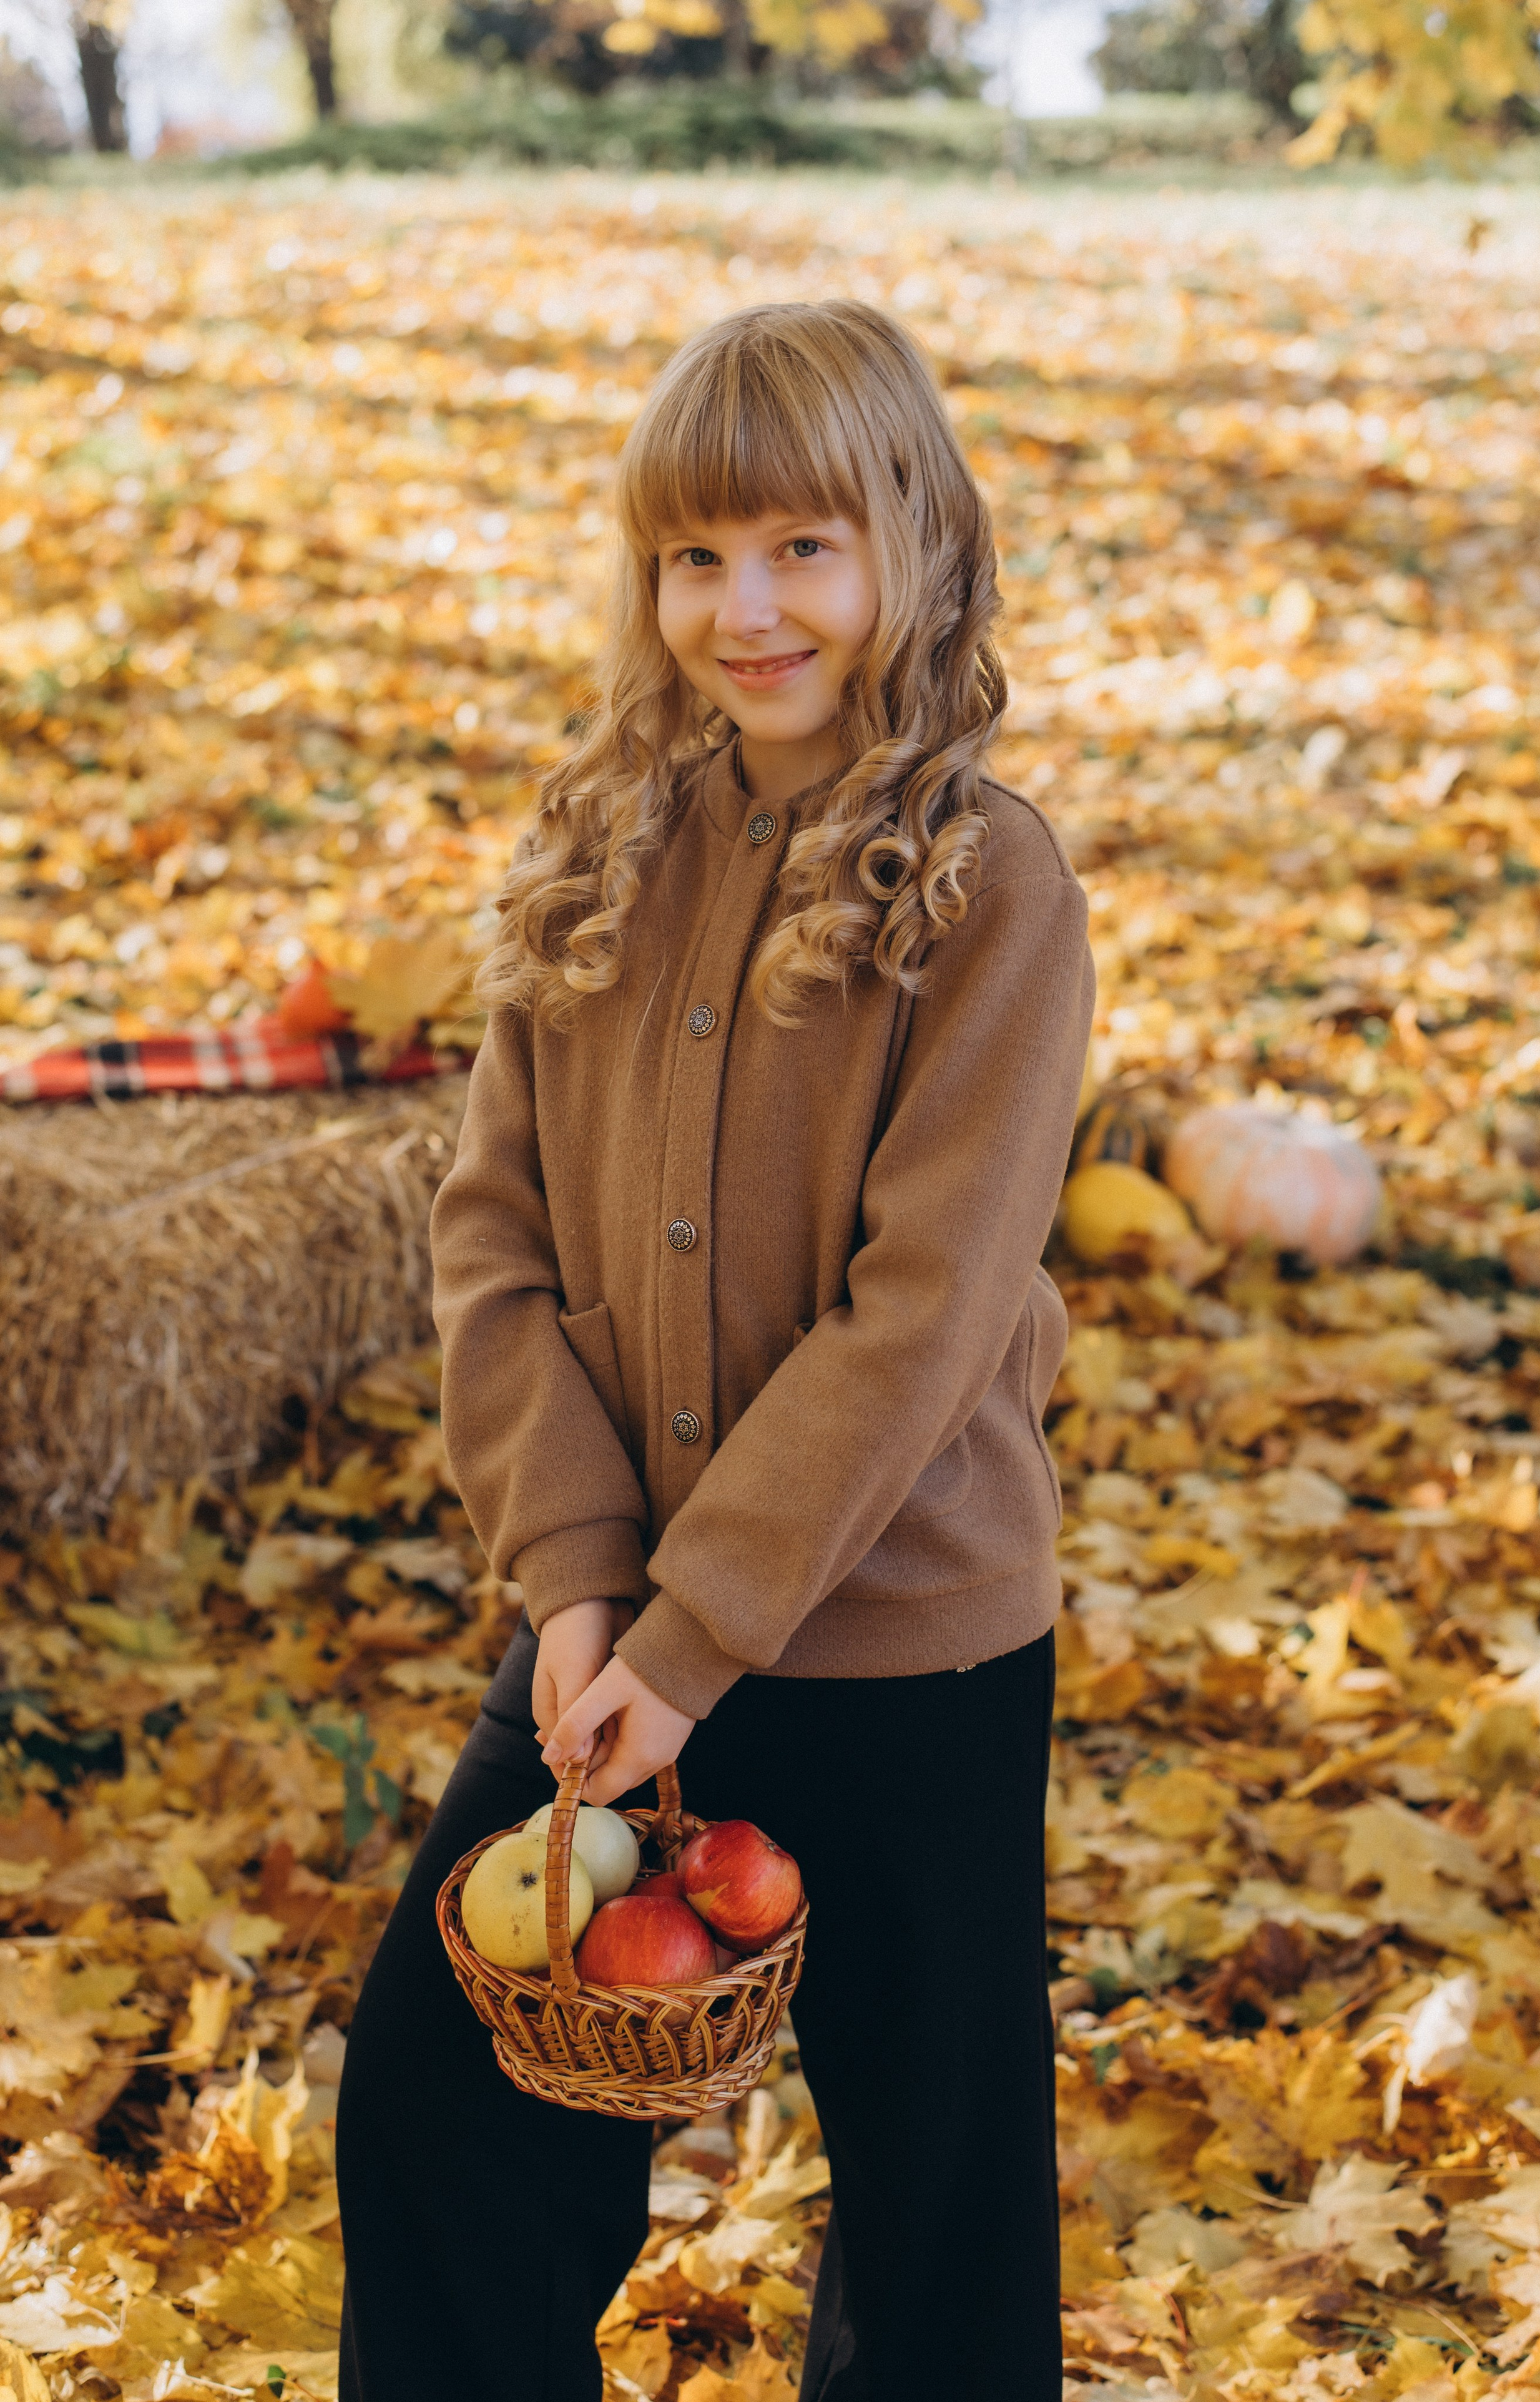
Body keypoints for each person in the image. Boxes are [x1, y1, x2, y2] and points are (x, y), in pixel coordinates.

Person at [336, 298, 1094, 2402]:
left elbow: (922, 1315)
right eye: (695, 558)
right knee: (434, 2117)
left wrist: (694, 1640)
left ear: (911, 554)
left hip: (899, 1643)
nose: (745, 608)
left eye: (801, 549)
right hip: (602, 1658)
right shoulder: (602, 855)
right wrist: (583, 1593)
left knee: (938, 2196)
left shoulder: (987, 885)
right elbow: (488, 1236)